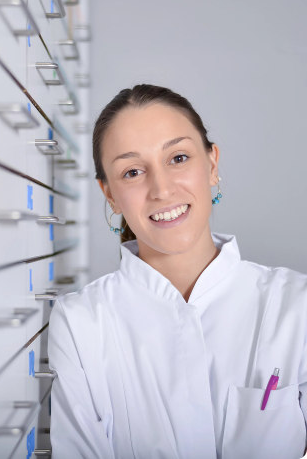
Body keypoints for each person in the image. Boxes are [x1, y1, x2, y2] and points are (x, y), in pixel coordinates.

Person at [47, 84, 307, 459]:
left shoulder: (296, 304)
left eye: (178, 158)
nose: (162, 189)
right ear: (110, 194)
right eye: (133, 171)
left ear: (212, 164)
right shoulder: (81, 323)